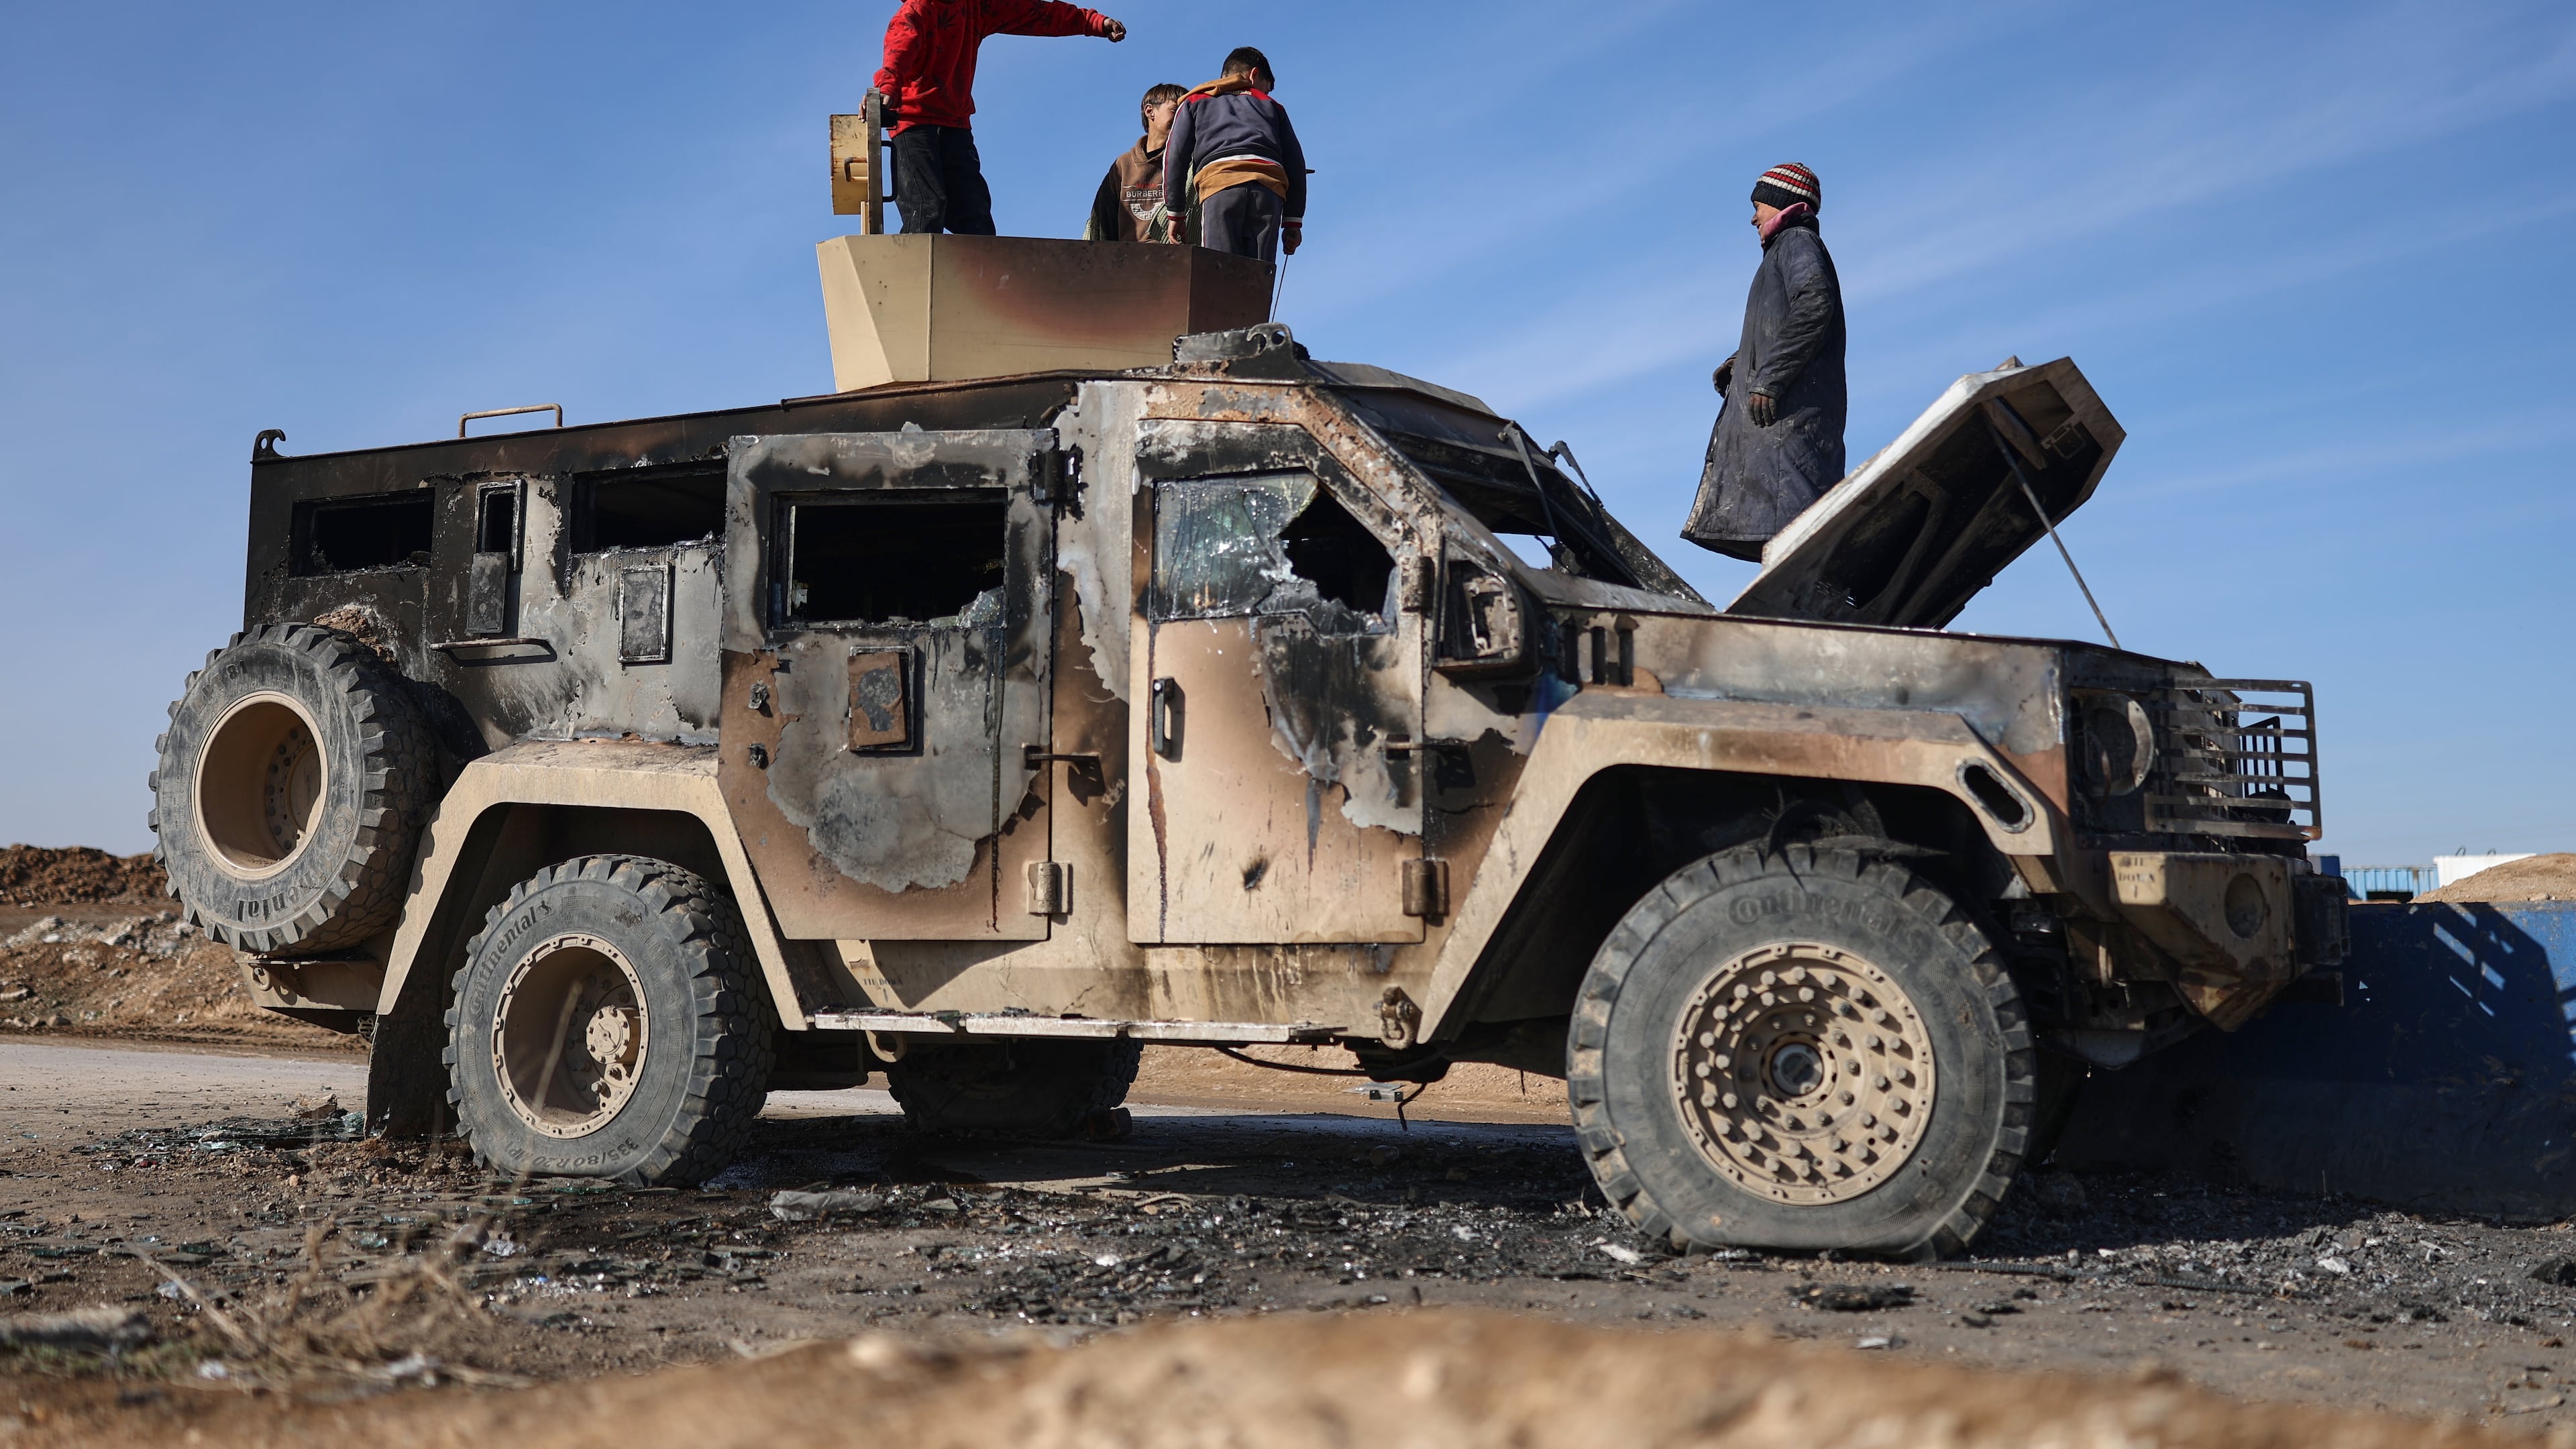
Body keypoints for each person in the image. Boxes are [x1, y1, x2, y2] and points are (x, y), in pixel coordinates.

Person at [1682, 162, 1847, 561]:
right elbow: (1786, 322)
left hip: (1788, 422)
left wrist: (1769, 378)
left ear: (1783, 204)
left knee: (1796, 533)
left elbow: (1814, 305)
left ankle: (1792, 609)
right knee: (1784, 536)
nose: (1753, 217)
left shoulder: (1796, 243)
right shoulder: (1787, 251)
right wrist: (1743, 361)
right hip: (1785, 424)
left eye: (1759, 206)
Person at [874, 0, 1130, 235]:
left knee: (975, 214)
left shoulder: (975, 7)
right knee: (927, 207)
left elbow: (1035, 14)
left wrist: (1093, 23)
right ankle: (912, 278)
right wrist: (887, 89)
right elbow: (899, 53)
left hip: (955, 124)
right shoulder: (916, 11)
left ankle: (984, 279)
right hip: (914, 123)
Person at [1163, 47, 1307, 264]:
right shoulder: (1273, 107)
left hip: (1220, 188)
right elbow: (1295, 163)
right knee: (1258, 279)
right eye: (1267, 89)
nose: (1265, 95)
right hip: (1268, 193)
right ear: (1254, 75)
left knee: (1221, 276)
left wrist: (1175, 213)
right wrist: (1293, 221)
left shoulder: (1195, 102)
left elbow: (1175, 155)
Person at [1085, 83, 1187, 243]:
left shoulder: (1188, 163)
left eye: (1186, 113)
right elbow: (1101, 222)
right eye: (1175, 110)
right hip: (1128, 261)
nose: (1182, 118)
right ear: (1150, 111)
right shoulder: (1123, 166)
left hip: (1177, 259)